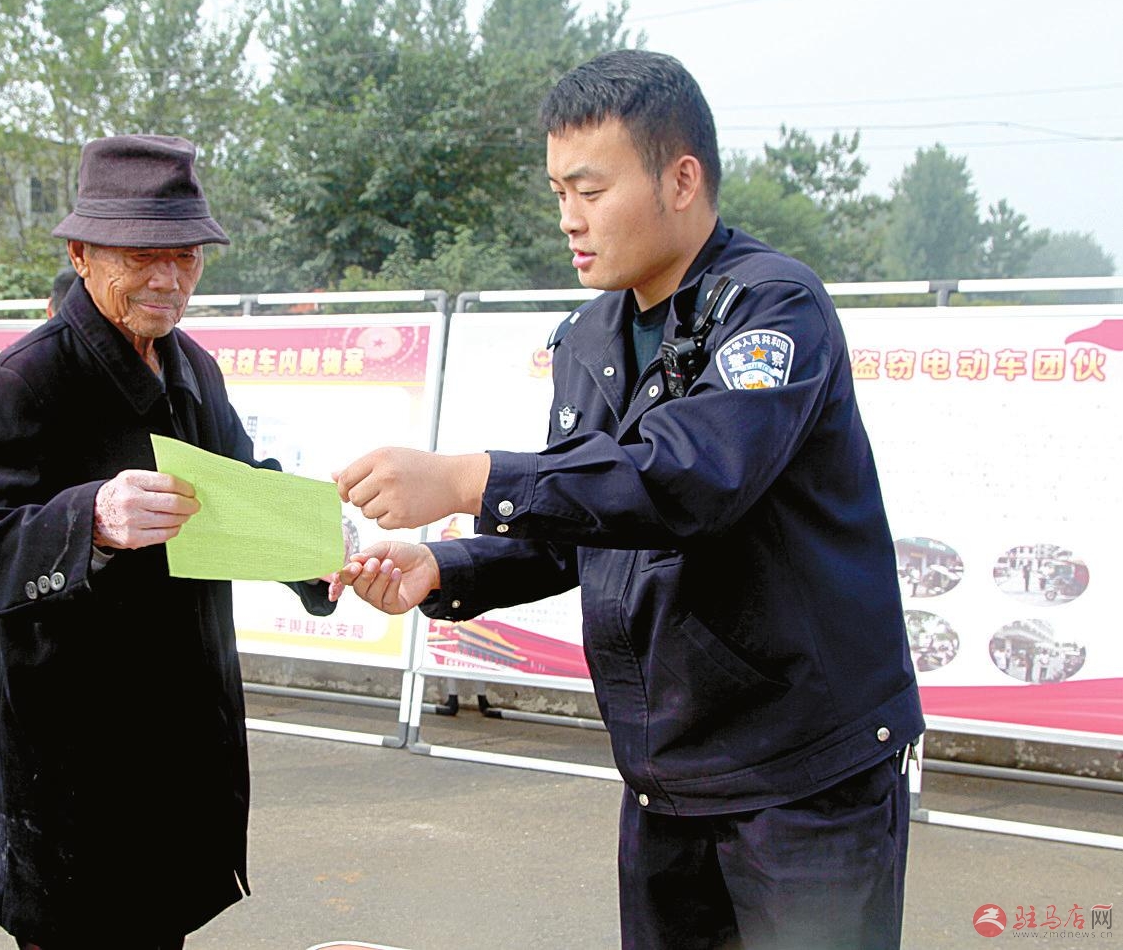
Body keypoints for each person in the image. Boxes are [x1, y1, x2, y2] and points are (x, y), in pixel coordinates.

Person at [333, 50, 924, 950]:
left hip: (804, 776)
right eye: (557, 192)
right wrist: (440, 566)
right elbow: (577, 525)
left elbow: (693, 478)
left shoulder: (771, 307)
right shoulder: (589, 335)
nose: (567, 219)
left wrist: (465, 477)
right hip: (667, 772)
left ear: (680, 179)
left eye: (589, 190)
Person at [0, 135, 338, 949]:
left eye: (186, 256)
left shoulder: (193, 368)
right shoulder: (21, 382)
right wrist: (89, 519)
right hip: (72, 751)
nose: (169, 280)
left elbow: (238, 488)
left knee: (160, 921)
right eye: (142, 256)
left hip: (179, 731)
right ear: (80, 255)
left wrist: (322, 552)